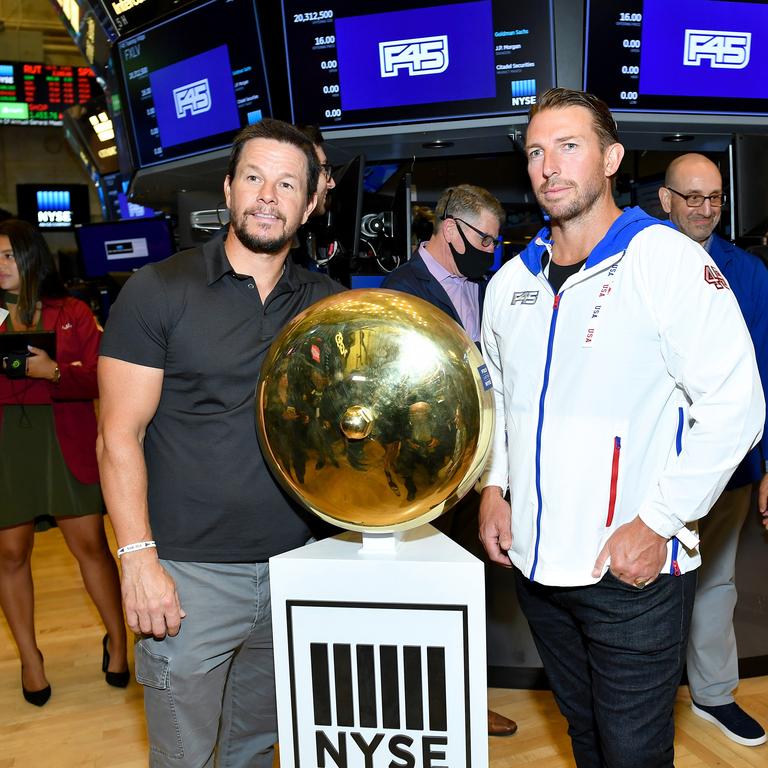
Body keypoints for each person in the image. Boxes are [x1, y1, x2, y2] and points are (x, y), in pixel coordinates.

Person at [478, 88, 764, 768]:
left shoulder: (664, 261)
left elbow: (738, 406)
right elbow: (500, 402)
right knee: (584, 736)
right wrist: (496, 486)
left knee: (634, 753)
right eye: (537, 152)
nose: (550, 166)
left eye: (569, 147)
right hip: (537, 568)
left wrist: (658, 521)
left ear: (610, 157)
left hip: (629, 570)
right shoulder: (508, 285)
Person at [96, 118, 343, 768]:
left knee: (256, 750)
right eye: (255, 178)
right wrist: (138, 563)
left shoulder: (328, 305)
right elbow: (117, 437)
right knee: (185, 756)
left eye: (288, 184)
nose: (269, 195)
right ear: (229, 189)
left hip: (296, 568)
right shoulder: (158, 291)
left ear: (312, 202)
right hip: (188, 576)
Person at [382, 184, 519, 738]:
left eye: (494, 239)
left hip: (477, 467)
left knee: (468, 589)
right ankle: (419, 707)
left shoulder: (485, 287)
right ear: (448, 228)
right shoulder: (400, 290)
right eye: (482, 238)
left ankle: (464, 699)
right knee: (422, 593)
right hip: (423, 474)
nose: (489, 249)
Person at [659, 152, 768, 746]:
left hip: (729, 467)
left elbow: (765, 373)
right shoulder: (635, 263)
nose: (705, 210)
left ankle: (713, 695)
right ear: (666, 200)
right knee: (641, 586)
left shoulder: (748, 273)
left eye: (715, 198)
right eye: (692, 198)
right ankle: (644, 698)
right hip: (652, 465)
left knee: (717, 582)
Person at [0, 218, 128, 707]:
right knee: (10, 556)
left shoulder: (71, 311)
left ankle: (118, 641)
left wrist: (53, 371)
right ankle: (30, 659)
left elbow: (100, 377)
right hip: (8, 447)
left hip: (65, 442)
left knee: (91, 547)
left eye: (10, 254)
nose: (2, 265)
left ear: (32, 257)